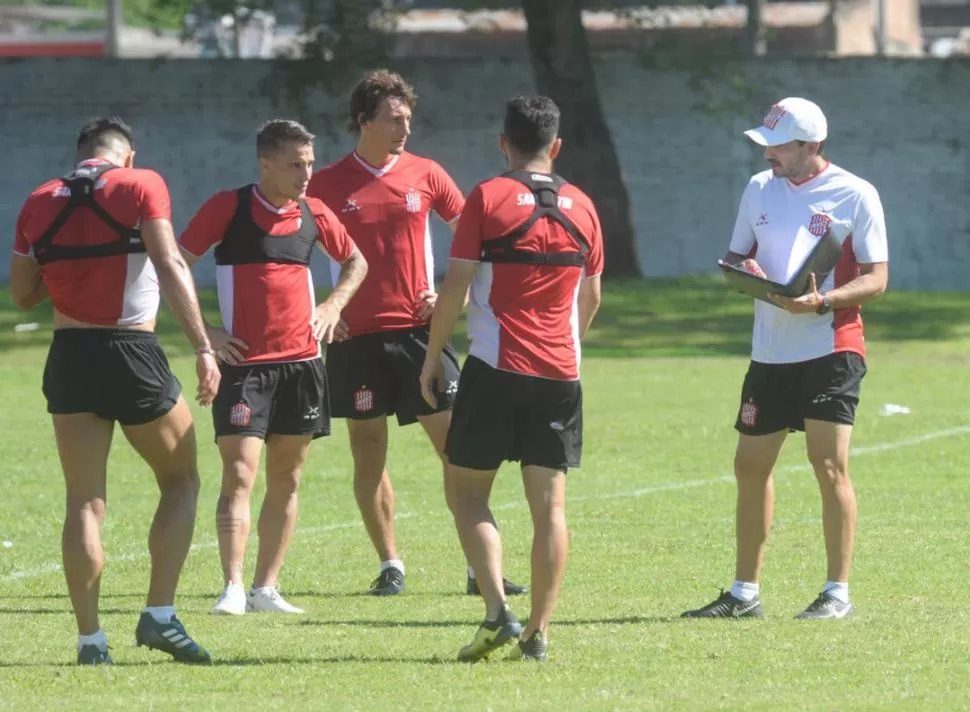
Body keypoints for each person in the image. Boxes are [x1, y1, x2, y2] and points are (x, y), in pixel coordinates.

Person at [308, 69, 527, 597]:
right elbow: (294, 255)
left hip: (418, 336)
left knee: (458, 448)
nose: (405, 128)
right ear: (364, 121)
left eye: (408, 118)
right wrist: (323, 310)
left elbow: (479, 238)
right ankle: (390, 564)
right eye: (394, 119)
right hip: (354, 339)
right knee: (368, 449)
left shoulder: (427, 173)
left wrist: (461, 296)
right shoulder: (326, 184)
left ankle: (480, 569)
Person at [9, 117, 219, 665]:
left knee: (84, 500)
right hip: (131, 351)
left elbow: (24, 295)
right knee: (182, 480)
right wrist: (202, 346)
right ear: (127, 155)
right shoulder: (141, 184)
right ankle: (159, 615)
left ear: (80, 153)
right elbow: (170, 263)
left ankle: (89, 640)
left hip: (69, 356)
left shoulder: (38, 200)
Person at [681, 97, 889, 621]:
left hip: (831, 347)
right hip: (769, 351)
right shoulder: (758, 188)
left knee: (828, 465)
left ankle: (836, 592)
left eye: (778, 145)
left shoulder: (856, 193)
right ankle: (743, 593)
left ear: (811, 146)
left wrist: (820, 301)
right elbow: (735, 255)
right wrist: (743, 268)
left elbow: (876, 278)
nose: (768, 153)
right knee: (749, 466)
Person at [419, 94, 604, 662]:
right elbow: (591, 297)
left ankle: (498, 610)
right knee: (550, 508)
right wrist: (567, 347)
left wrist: (433, 356)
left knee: (467, 491)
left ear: (504, 142)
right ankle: (539, 632)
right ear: (557, 145)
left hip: (496, 370)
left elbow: (455, 285)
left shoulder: (488, 197)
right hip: (560, 374)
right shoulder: (584, 206)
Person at [178, 119, 367, 616]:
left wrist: (334, 307)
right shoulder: (228, 207)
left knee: (288, 478)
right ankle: (233, 587)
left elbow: (356, 263)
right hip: (244, 369)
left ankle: (266, 588)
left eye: (310, 163)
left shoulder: (315, 212)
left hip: (303, 367)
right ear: (265, 163)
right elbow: (173, 265)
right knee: (239, 475)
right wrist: (208, 336)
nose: (307, 174)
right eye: (295, 165)